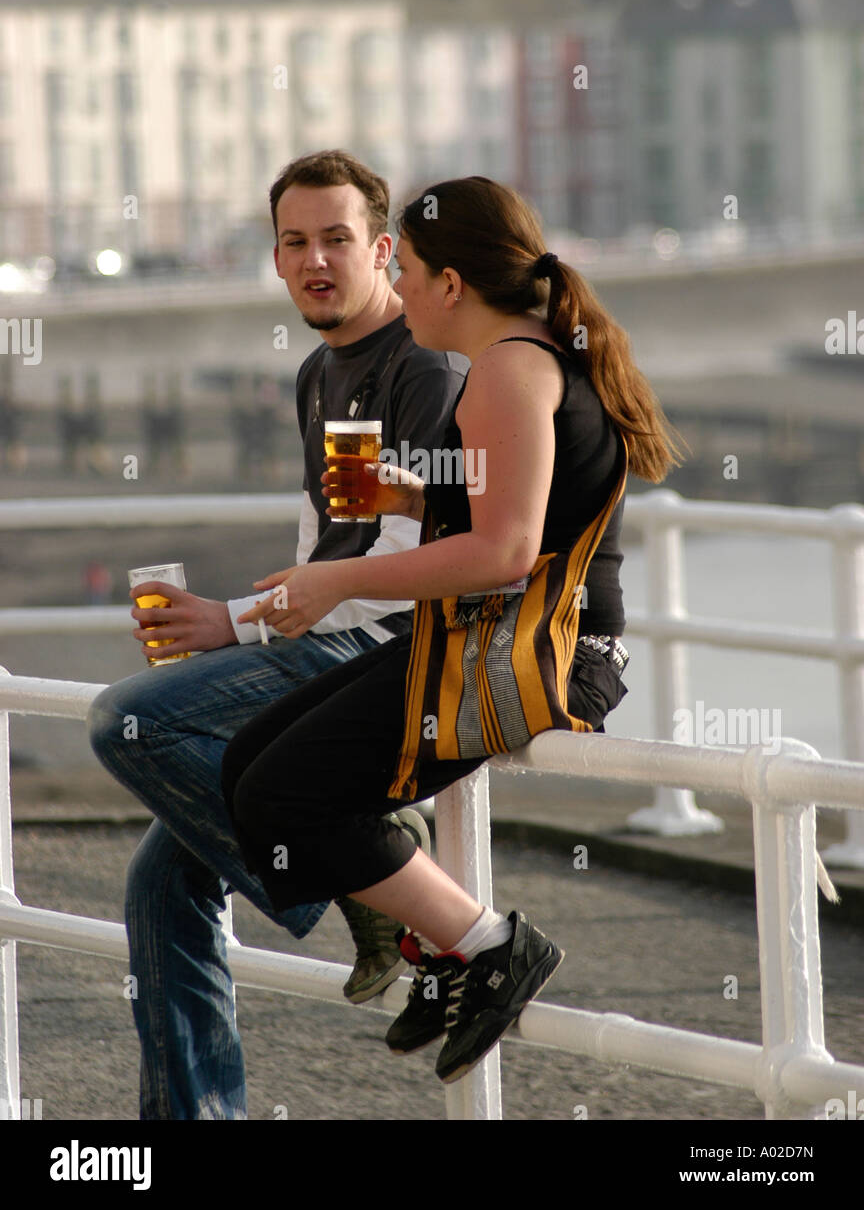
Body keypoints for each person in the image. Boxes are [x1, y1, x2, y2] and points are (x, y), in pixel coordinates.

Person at [219, 175, 685, 1088]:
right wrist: (404, 496)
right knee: (249, 768)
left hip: (547, 662)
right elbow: (519, 509)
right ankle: (442, 948)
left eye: (413, 271)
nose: (400, 294)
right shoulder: (523, 354)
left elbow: (506, 550)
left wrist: (338, 577)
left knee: (282, 796)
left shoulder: (509, 369)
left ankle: (490, 946)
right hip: (497, 643)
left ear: (451, 284)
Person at [87, 150, 470, 1119]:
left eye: (337, 239)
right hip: (320, 643)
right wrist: (236, 631)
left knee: (123, 723)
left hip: (393, 653)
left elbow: (395, 566)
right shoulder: (317, 373)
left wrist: (237, 622)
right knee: (160, 880)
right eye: (295, 242)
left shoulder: (426, 368)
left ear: (382, 248)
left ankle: (360, 881)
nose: (316, 261)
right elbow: (316, 544)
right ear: (274, 259)